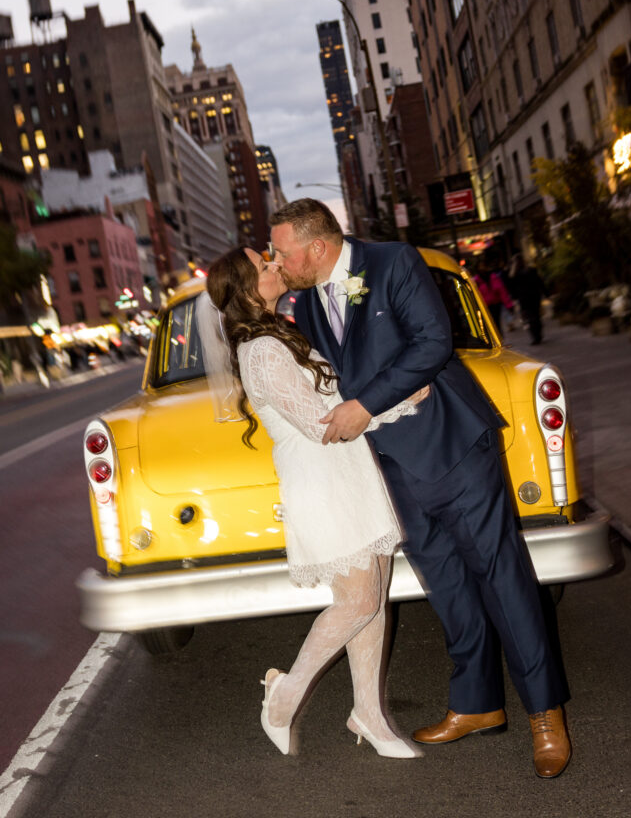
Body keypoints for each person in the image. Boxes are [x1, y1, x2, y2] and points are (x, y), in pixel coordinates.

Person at [269, 199, 571, 779]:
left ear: (317, 247)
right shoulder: (303, 304)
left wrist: (366, 403)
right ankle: (477, 704)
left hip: (453, 447)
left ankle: (544, 713)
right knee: (447, 586)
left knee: (501, 576)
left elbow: (432, 343)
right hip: (388, 468)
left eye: (282, 251)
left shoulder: (394, 263)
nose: (279, 262)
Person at [203, 246, 424, 759]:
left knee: (375, 592)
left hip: (349, 469)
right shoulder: (259, 350)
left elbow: (334, 405)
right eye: (263, 265)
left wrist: (388, 402)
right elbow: (322, 425)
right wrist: (398, 401)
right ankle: (285, 694)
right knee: (358, 600)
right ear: (245, 290)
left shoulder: (280, 332)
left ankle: (368, 713)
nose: (274, 264)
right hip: (320, 476)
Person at [509, 254, 547, 346]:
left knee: (529, 317)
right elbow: (539, 282)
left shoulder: (514, 274)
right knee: (536, 315)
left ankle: (535, 336)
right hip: (534, 296)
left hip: (524, 299)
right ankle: (538, 334)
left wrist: (514, 298)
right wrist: (546, 293)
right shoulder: (531, 270)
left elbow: (512, 288)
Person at [473, 259, 514, 333]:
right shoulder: (476, 280)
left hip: (496, 304)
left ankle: (499, 336)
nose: (482, 268)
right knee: (491, 323)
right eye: (480, 266)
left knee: (496, 322)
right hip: (486, 306)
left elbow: (502, 290)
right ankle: (497, 336)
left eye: (483, 266)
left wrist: (508, 304)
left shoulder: (492, 277)